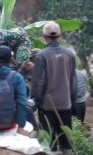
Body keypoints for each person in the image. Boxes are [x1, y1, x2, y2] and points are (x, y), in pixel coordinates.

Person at [31, 22, 76, 155]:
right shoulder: (70, 54)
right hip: (66, 103)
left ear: (44, 36)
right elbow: (72, 79)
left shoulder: (42, 55)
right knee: (66, 139)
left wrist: (35, 101)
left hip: (47, 105)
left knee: (50, 140)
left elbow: (39, 82)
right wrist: (72, 101)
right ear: (60, 36)